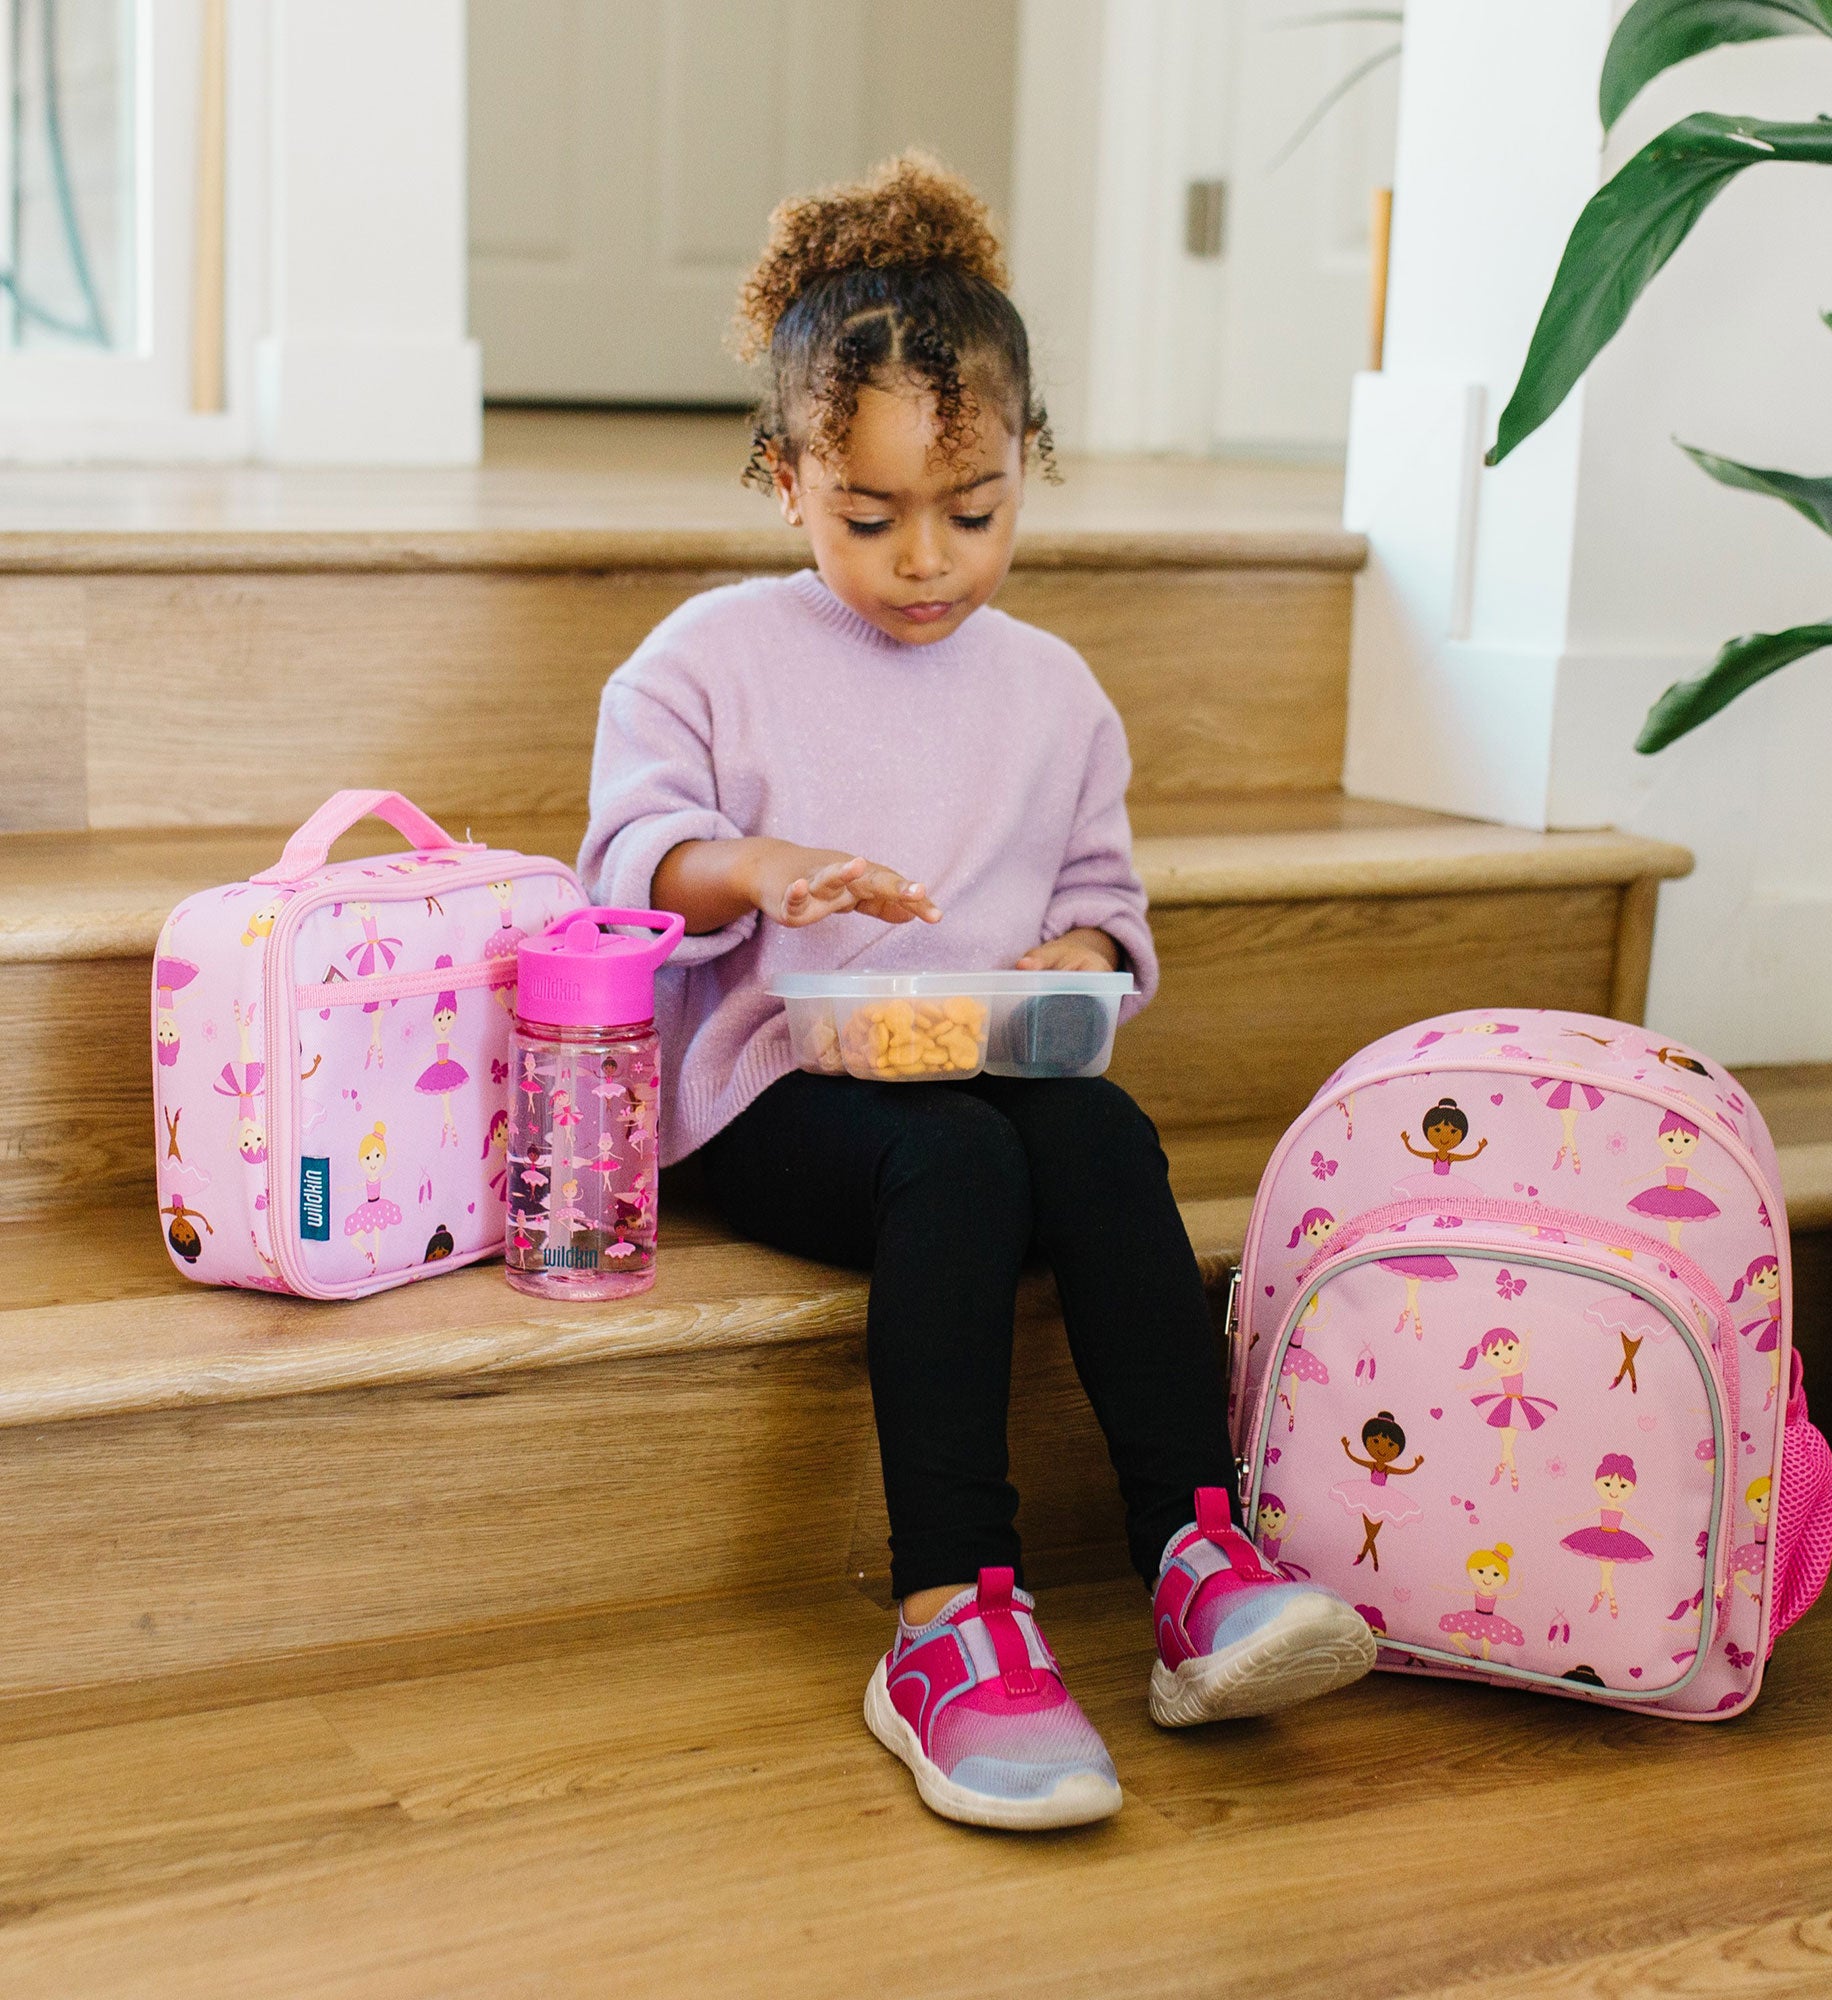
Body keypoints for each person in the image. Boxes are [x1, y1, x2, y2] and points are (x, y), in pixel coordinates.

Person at [580, 153, 1372, 1830]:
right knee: (956, 1161)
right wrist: (756, 869)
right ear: (786, 481)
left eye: (975, 511)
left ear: (1031, 470)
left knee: (1097, 1138)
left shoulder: (1056, 693)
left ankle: (1195, 1557)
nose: (925, 561)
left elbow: (1101, 910)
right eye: (869, 519)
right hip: (775, 1092)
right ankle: (948, 1617)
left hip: (981, 1069)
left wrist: (1076, 964)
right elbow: (627, 864)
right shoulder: (706, 658)